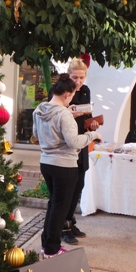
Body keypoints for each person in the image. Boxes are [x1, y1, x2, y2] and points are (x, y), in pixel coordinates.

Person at [33, 73, 102, 258]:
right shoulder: (64, 114)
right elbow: (74, 142)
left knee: (53, 204)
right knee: (60, 209)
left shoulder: (39, 109)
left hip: (46, 163)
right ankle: (52, 249)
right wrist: (93, 136)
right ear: (67, 94)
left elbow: (36, 135)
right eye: (71, 95)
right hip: (64, 165)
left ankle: (46, 243)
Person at [61, 58, 100, 245]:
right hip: (67, 144)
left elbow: (89, 116)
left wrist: (92, 124)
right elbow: (54, 115)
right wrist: (68, 113)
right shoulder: (63, 91)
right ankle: (63, 227)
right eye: (75, 77)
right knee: (67, 187)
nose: (78, 82)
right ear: (68, 75)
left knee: (79, 185)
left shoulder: (85, 91)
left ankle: (71, 220)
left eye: (81, 78)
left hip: (82, 141)